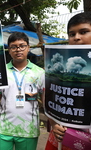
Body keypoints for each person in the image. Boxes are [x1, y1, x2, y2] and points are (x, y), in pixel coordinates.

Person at [0, 32, 45, 150]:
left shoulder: (40, 73)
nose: (18, 49)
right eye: (13, 47)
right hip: (3, 128)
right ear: (9, 50)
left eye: (22, 46)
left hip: (29, 129)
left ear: (28, 48)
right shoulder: (1, 71)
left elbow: (46, 101)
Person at [45, 12, 91, 150]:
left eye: (84, 32)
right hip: (61, 138)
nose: (77, 37)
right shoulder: (55, 72)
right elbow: (50, 100)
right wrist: (54, 124)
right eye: (72, 34)